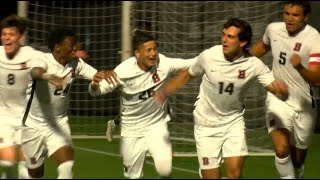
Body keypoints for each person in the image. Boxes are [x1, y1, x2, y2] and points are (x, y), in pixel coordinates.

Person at [153, 18, 289, 179]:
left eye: (230, 37)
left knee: (234, 174)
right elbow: (187, 75)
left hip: (233, 123)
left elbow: (275, 88)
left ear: (243, 42)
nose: (224, 40)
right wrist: (164, 92)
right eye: (223, 35)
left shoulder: (254, 65)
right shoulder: (209, 56)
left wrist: (282, 91)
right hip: (206, 126)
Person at [88, 30, 196, 179]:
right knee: (134, 176)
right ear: (137, 54)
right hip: (132, 130)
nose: (153, 54)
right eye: (148, 50)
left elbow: (191, 63)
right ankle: (114, 122)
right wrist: (94, 83)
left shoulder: (163, 63)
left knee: (165, 170)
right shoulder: (123, 72)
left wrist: (213, 56)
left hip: (157, 126)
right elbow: (96, 92)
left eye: (155, 49)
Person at [20, 27, 106, 178]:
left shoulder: (76, 64)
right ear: (57, 48)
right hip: (33, 124)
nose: (75, 49)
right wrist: (49, 77)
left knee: (67, 166)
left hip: (58, 123)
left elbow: (95, 75)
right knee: (35, 172)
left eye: (75, 45)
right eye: (71, 46)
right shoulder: (42, 60)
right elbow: (35, 72)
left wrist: (101, 76)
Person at [249, 1, 318, 178]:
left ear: (306, 17)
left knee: (298, 157)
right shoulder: (273, 29)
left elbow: (317, 80)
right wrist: (238, 62)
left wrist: (300, 68)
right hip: (278, 98)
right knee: (281, 149)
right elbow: (261, 47)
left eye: (295, 15)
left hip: (304, 104)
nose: (289, 18)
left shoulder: (314, 39)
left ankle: (297, 171)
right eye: (286, 13)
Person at [0, 14, 34, 179]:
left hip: (26, 118)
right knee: (7, 163)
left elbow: (52, 62)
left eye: (11, 34)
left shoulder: (31, 55)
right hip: (3, 117)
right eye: (3, 34)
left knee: (26, 167)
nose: (6, 38)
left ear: (19, 36)